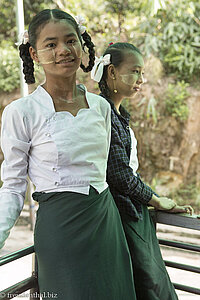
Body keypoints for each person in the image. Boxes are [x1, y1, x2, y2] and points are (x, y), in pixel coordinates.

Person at [0, 12, 137, 300]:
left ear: (81, 47)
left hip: (107, 225)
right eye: (51, 44)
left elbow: (118, 171)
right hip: (61, 232)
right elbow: (13, 186)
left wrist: (153, 200)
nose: (63, 50)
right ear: (35, 54)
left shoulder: (101, 107)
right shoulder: (21, 112)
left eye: (70, 41)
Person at [91, 42, 194, 300]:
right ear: (112, 72)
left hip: (130, 210)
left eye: (142, 73)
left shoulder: (118, 115)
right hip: (119, 215)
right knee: (148, 284)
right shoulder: (102, 114)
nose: (141, 79)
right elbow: (119, 174)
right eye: (135, 71)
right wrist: (156, 200)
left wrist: (154, 200)